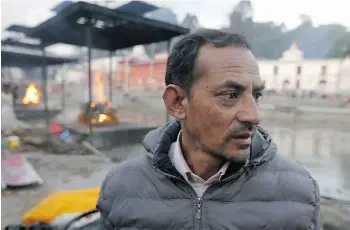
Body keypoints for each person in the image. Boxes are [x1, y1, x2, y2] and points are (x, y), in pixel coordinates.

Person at [97, 29, 321, 230]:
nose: (254, 116)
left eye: (256, 96)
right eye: (230, 95)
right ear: (177, 103)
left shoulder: (300, 195)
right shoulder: (120, 188)